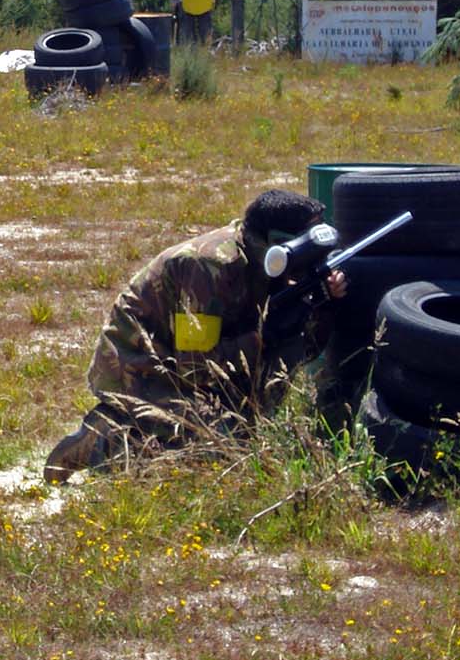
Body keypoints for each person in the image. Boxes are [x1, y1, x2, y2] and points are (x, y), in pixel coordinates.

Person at [44, 189, 347, 483]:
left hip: (199, 363)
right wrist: (262, 339)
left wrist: (322, 305)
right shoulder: (210, 266)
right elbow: (195, 366)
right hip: (140, 367)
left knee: (240, 437)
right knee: (216, 442)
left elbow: (298, 352)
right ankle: (106, 435)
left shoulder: (266, 265)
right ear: (277, 245)